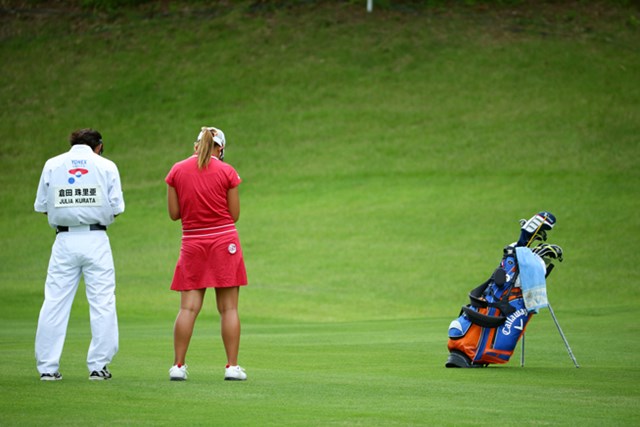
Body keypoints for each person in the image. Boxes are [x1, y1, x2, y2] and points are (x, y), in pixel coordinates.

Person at [34, 128, 125, 381]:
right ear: (99, 146)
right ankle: (98, 366)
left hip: (64, 239)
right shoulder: (106, 166)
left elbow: (42, 206)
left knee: (54, 302)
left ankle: (47, 368)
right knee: (102, 301)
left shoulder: (52, 164)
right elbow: (117, 207)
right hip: (96, 238)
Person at [165, 126, 248, 381]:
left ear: (196, 146)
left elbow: (174, 214)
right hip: (224, 242)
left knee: (188, 309)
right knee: (229, 308)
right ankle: (232, 367)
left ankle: (178, 366)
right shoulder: (227, 171)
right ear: (220, 148)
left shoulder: (177, 170)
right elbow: (234, 215)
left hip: (192, 242)